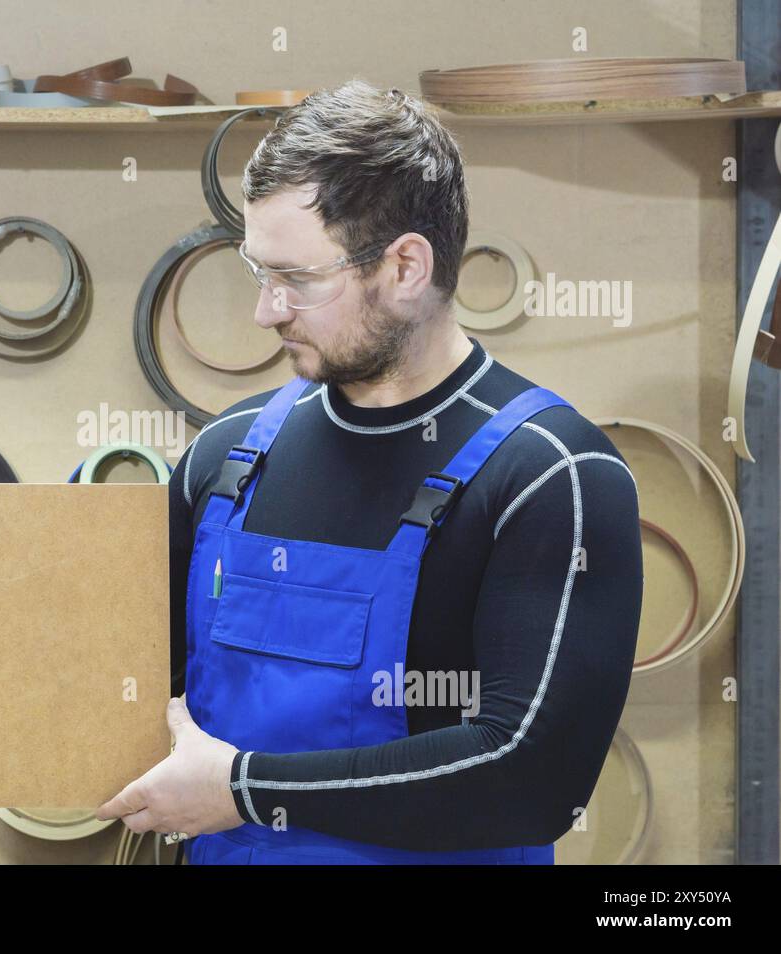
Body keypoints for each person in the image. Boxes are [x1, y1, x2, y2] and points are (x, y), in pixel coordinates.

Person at [92, 80, 643, 864]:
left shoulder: (550, 473)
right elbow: (121, 692)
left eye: (299, 279)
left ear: (407, 265)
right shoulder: (226, 459)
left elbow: (531, 777)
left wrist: (244, 791)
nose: (267, 310)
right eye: (259, 272)